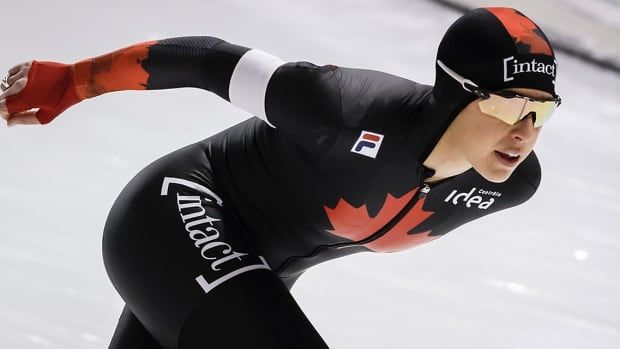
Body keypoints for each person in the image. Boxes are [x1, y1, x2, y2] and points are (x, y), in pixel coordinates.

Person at [0, 7, 561, 349]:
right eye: (511, 107)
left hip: (255, 273)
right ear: (456, 92)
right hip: (176, 218)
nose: (526, 131)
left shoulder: (510, 184)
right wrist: (70, 83)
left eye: (543, 112)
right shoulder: (345, 109)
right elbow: (205, 59)